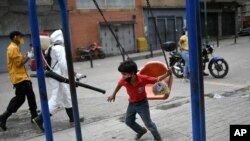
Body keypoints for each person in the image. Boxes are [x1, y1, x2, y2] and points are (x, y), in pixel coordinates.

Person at [107, 60, 171, 141]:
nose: (122, 76)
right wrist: (113, 94)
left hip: (142, 104)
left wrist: (167, 74)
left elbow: (156, 79)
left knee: (149, 124)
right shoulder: (124, 80)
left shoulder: (142, 78)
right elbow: (119, 84)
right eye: (122, 74)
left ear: (133, 73)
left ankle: (157, 139)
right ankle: (141, 131)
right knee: (128, 121)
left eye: (124, 74)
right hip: (131, 104)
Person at [32, 30, 84, 131]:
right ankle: (40, 119)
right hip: (58, 77)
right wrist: (74, 75)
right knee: (56, 100)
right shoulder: (59, 48)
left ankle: (73, 118)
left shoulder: (50, 48)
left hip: (56, 77)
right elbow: (64, 65)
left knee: (67, 97)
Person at [0, 31, 38, 131]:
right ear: (15, 37)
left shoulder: (15, 47)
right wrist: (30, 56)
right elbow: (19, 64)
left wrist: (27, 55)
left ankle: (34, 116)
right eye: (20, 37)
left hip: (22, 77)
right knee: (19, 99)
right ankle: (3, 118)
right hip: (19, 78)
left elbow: (19, 60)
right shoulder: (13, 48)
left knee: (30, 96)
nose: (22, 39)